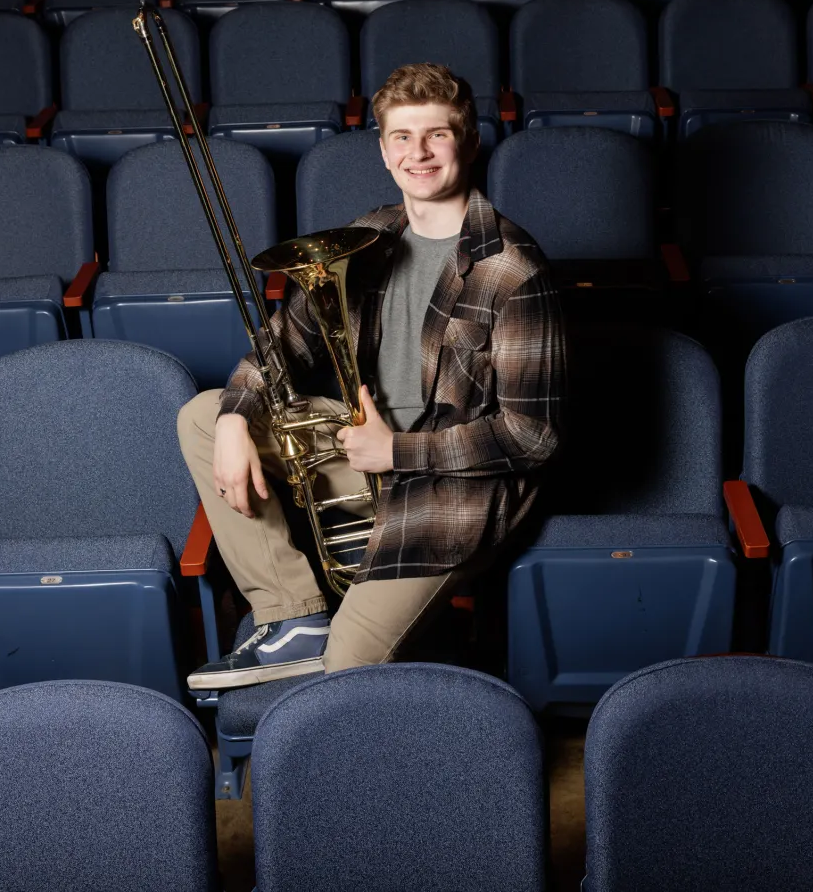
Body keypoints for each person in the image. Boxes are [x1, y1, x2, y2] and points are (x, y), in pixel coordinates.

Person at [177, 62, 566, 689]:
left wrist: (396, 451)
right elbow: (277, 350)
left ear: (467, 142)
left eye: (437, 135)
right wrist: (232, 421)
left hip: (451, 492)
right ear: (384, 152)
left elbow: (532, 436)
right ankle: (292, 616)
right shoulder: (367, 236)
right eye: (403, 138)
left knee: (346, 669)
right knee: (204, 412)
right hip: (359, 447)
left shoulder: (513, 270)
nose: (419, 152)